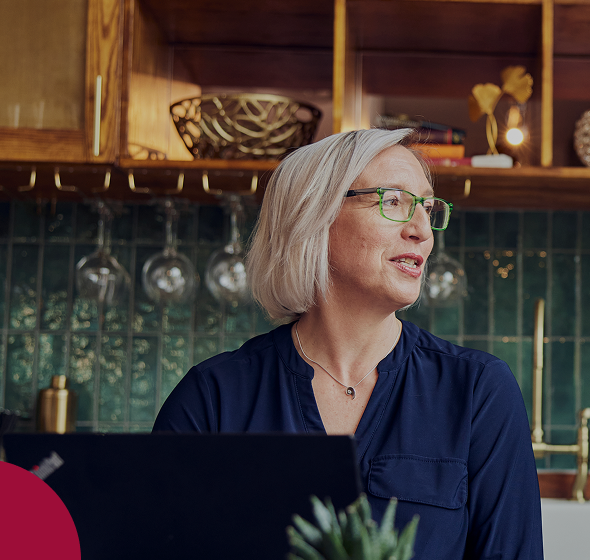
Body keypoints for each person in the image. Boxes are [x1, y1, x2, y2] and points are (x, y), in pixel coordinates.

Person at [152, 128, 542, 560]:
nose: (422, 231)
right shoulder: (213, 398)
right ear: (314, 215)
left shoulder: (479, 390)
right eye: (393, 201)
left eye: (427, 208)